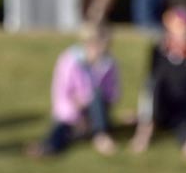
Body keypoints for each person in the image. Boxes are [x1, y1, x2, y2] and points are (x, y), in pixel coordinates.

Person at [130, 6, 186, 161]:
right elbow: (150, 86)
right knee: (156, 84)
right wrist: (144, 121)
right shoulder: (158, 51)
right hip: (161, 107)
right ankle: (145, 131)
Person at [27, 22, 119, 157]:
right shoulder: (69, 60)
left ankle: (100, 135)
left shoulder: (108, 63)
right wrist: (77, 115)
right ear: (90, 43)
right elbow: (62, 96)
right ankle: (49, 146)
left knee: (96, 94)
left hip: (95, 112)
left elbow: (111, 95)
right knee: (63, 127)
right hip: (72, 111)